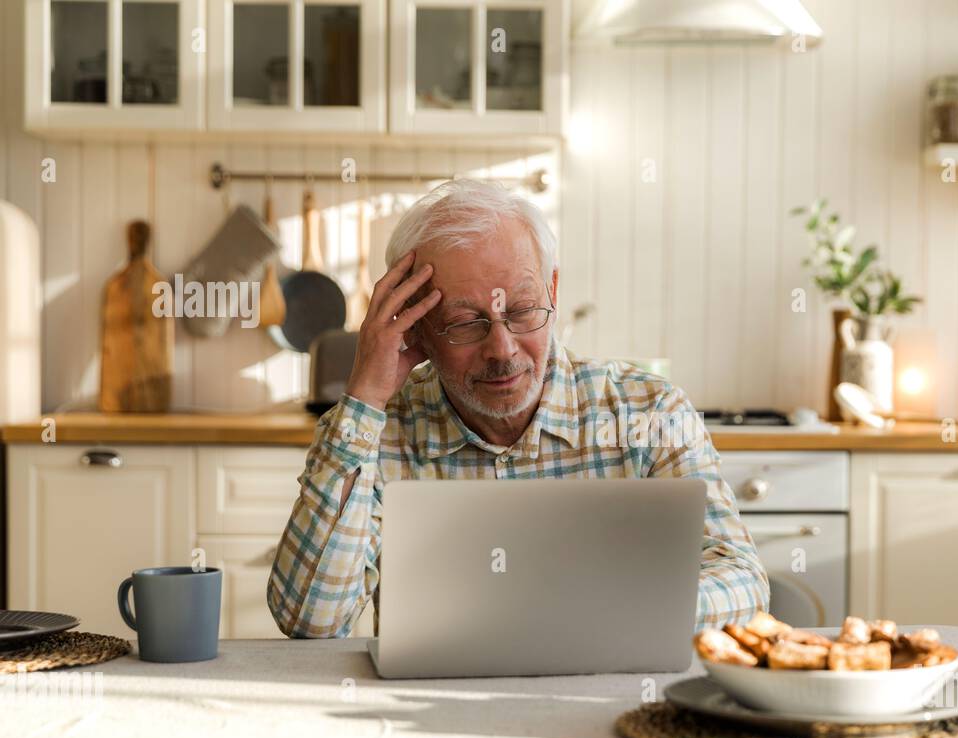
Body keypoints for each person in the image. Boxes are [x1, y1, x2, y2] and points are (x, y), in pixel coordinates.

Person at [267, 179, 768, 638]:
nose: (503, 349)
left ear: (551, 290)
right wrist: (364, 401)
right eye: (466, 323)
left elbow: (743, 582)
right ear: (414, 326)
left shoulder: (651, 413)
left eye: (523, 311)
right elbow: (310, 622)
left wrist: (608, 613)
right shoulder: (372, 432)